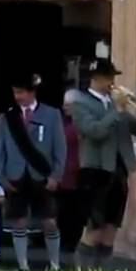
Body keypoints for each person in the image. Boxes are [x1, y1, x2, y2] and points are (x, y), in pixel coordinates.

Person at [69, 54, 136, 271]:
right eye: (108, 77)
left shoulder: (117, 103)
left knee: (111, 228)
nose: (112, 82)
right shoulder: (80, 103)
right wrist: (118, 110)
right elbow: (94, 131)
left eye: (112, 77)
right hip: (95, 171)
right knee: (94, 228)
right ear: (95, 78)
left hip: (119, 169)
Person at [0, 72, 66, 271]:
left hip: (42, 175)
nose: (17, 97)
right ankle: (23, 265)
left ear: (32, 92)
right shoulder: (7, 118)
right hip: (15, 175)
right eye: (15, 93)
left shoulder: (52, 115)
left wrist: (56, 175)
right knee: (19, 222)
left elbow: (60, 149)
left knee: (49, 222)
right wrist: (1, 176)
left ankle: (55, 265)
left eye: (21, 93)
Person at [56, 89, 84, 256]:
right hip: (64, 173)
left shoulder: (80, 124)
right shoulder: (66, 123)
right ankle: (65, 242)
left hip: (76, 172)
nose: (64, 107)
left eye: (68, 105)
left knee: (74, 212)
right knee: (64, 210)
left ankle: (71, 243)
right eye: (64, 104)